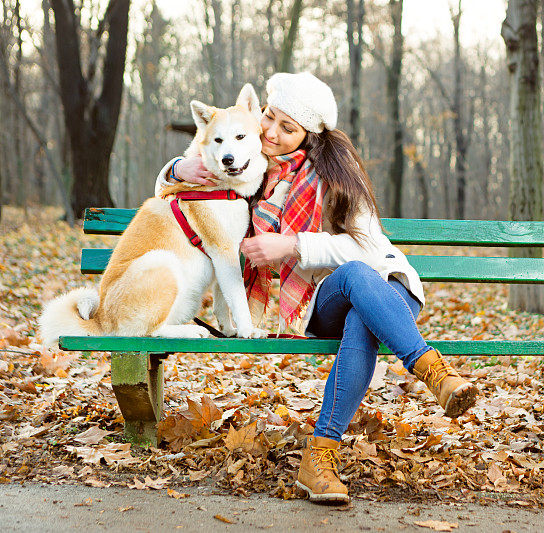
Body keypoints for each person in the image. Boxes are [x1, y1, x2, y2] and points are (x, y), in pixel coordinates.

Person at [155, 72, 477, 504]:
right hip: (324, 305)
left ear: (308, 135)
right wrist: (177, 167)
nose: (270, 132)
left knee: (361, 286)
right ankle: (433, 374)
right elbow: (174, 192)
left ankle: (320, 460)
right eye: (269, 117)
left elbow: (366, 247)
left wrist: (291, 244)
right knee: (357, 304)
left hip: (387, 289)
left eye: (287, 128)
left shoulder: (335, 174)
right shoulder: (247, 163)